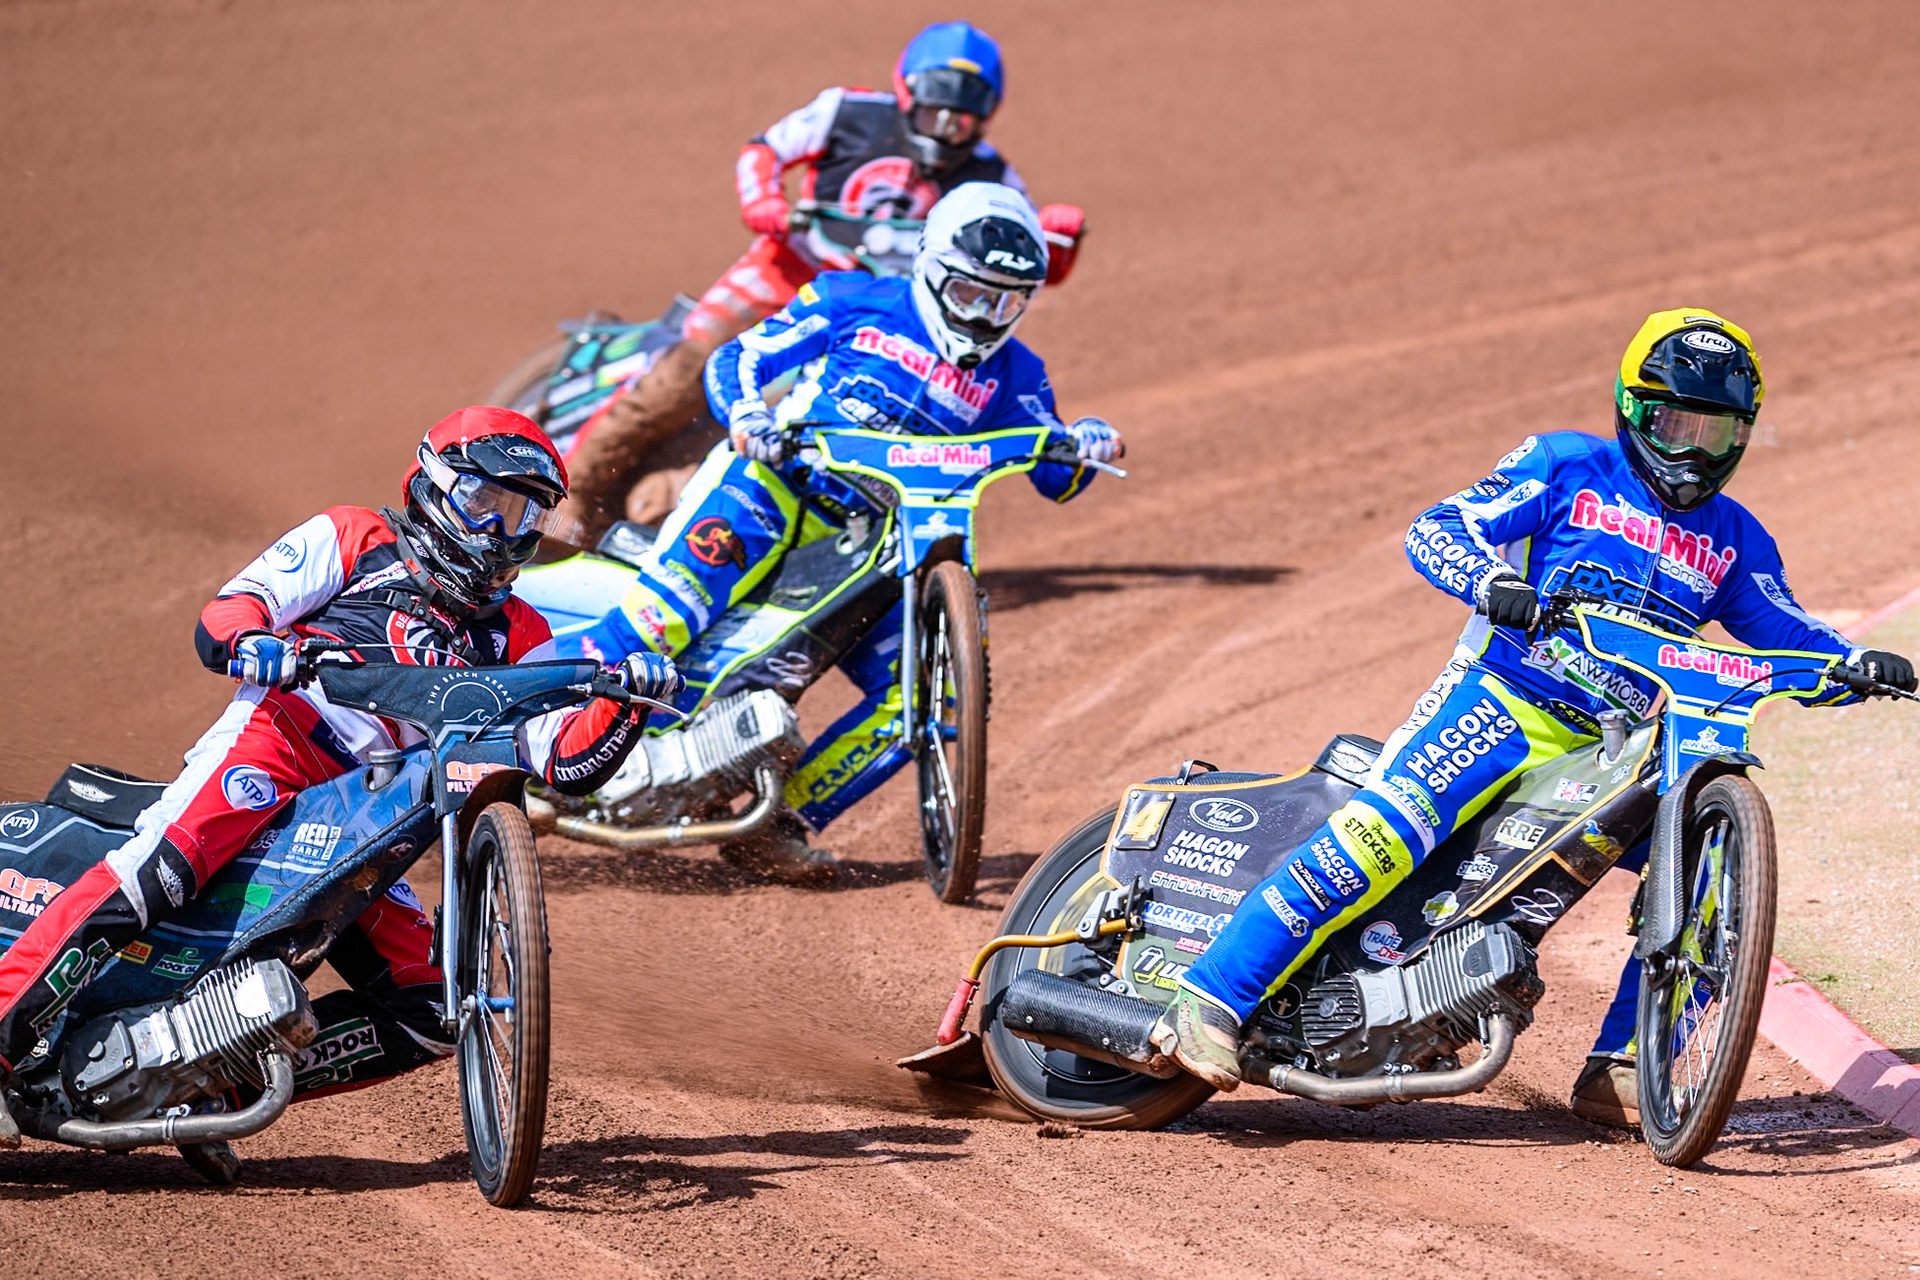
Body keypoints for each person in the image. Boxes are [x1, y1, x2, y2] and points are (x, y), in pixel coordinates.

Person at [1154, 308, 1917, 1126]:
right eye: (1676, 424)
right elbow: (1440, 527)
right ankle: (1209, 999)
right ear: (1632, 408)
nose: (1694, 450)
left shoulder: (1737, 540)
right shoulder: (1565, 464)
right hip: (1498, 702)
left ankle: (1622, 1067)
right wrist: (1492, 585)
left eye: (1718, 431)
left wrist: (1854, 666)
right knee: (1377, 841)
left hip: (1607, 753)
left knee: (1708, 877)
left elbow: (1791, 634)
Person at [0, 406, 681, 1146]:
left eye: (520, 513)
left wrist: (625, 704)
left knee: (433, 1010)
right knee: (152, 874)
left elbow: (562, 759)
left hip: (372, 808)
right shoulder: (354, 536)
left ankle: (201, 1088)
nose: (497, 529)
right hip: (276, 746)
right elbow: (230, 612)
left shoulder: (522, 631)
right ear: (434, 484)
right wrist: (256, 643)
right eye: (483, 500)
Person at [554, 182, 1125, 883]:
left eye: (1006, 303)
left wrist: (1085, 442)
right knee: (660, 620)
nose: (985, 316)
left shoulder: (1017, 374)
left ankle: (778, 824)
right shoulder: (853, 299)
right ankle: (523, 733)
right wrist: (747, 415)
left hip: (873, 546)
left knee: (921, 694)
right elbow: (740, 357)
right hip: (768, 490)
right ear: (933, 269)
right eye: (972, 294)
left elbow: (1056, 474)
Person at [555, 19, 1089, 541]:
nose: (946, 131)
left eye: (962, 121)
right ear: (907, 94)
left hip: (879, 312)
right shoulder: (848, 111)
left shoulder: (993, 177)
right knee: (689, 367)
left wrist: (1059, 247)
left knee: (813, 422)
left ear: (986, 118)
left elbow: (1018, 264)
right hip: (786, 270)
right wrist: (764, 201)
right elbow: (765, 149)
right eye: (935, 113)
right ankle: (571, 494)